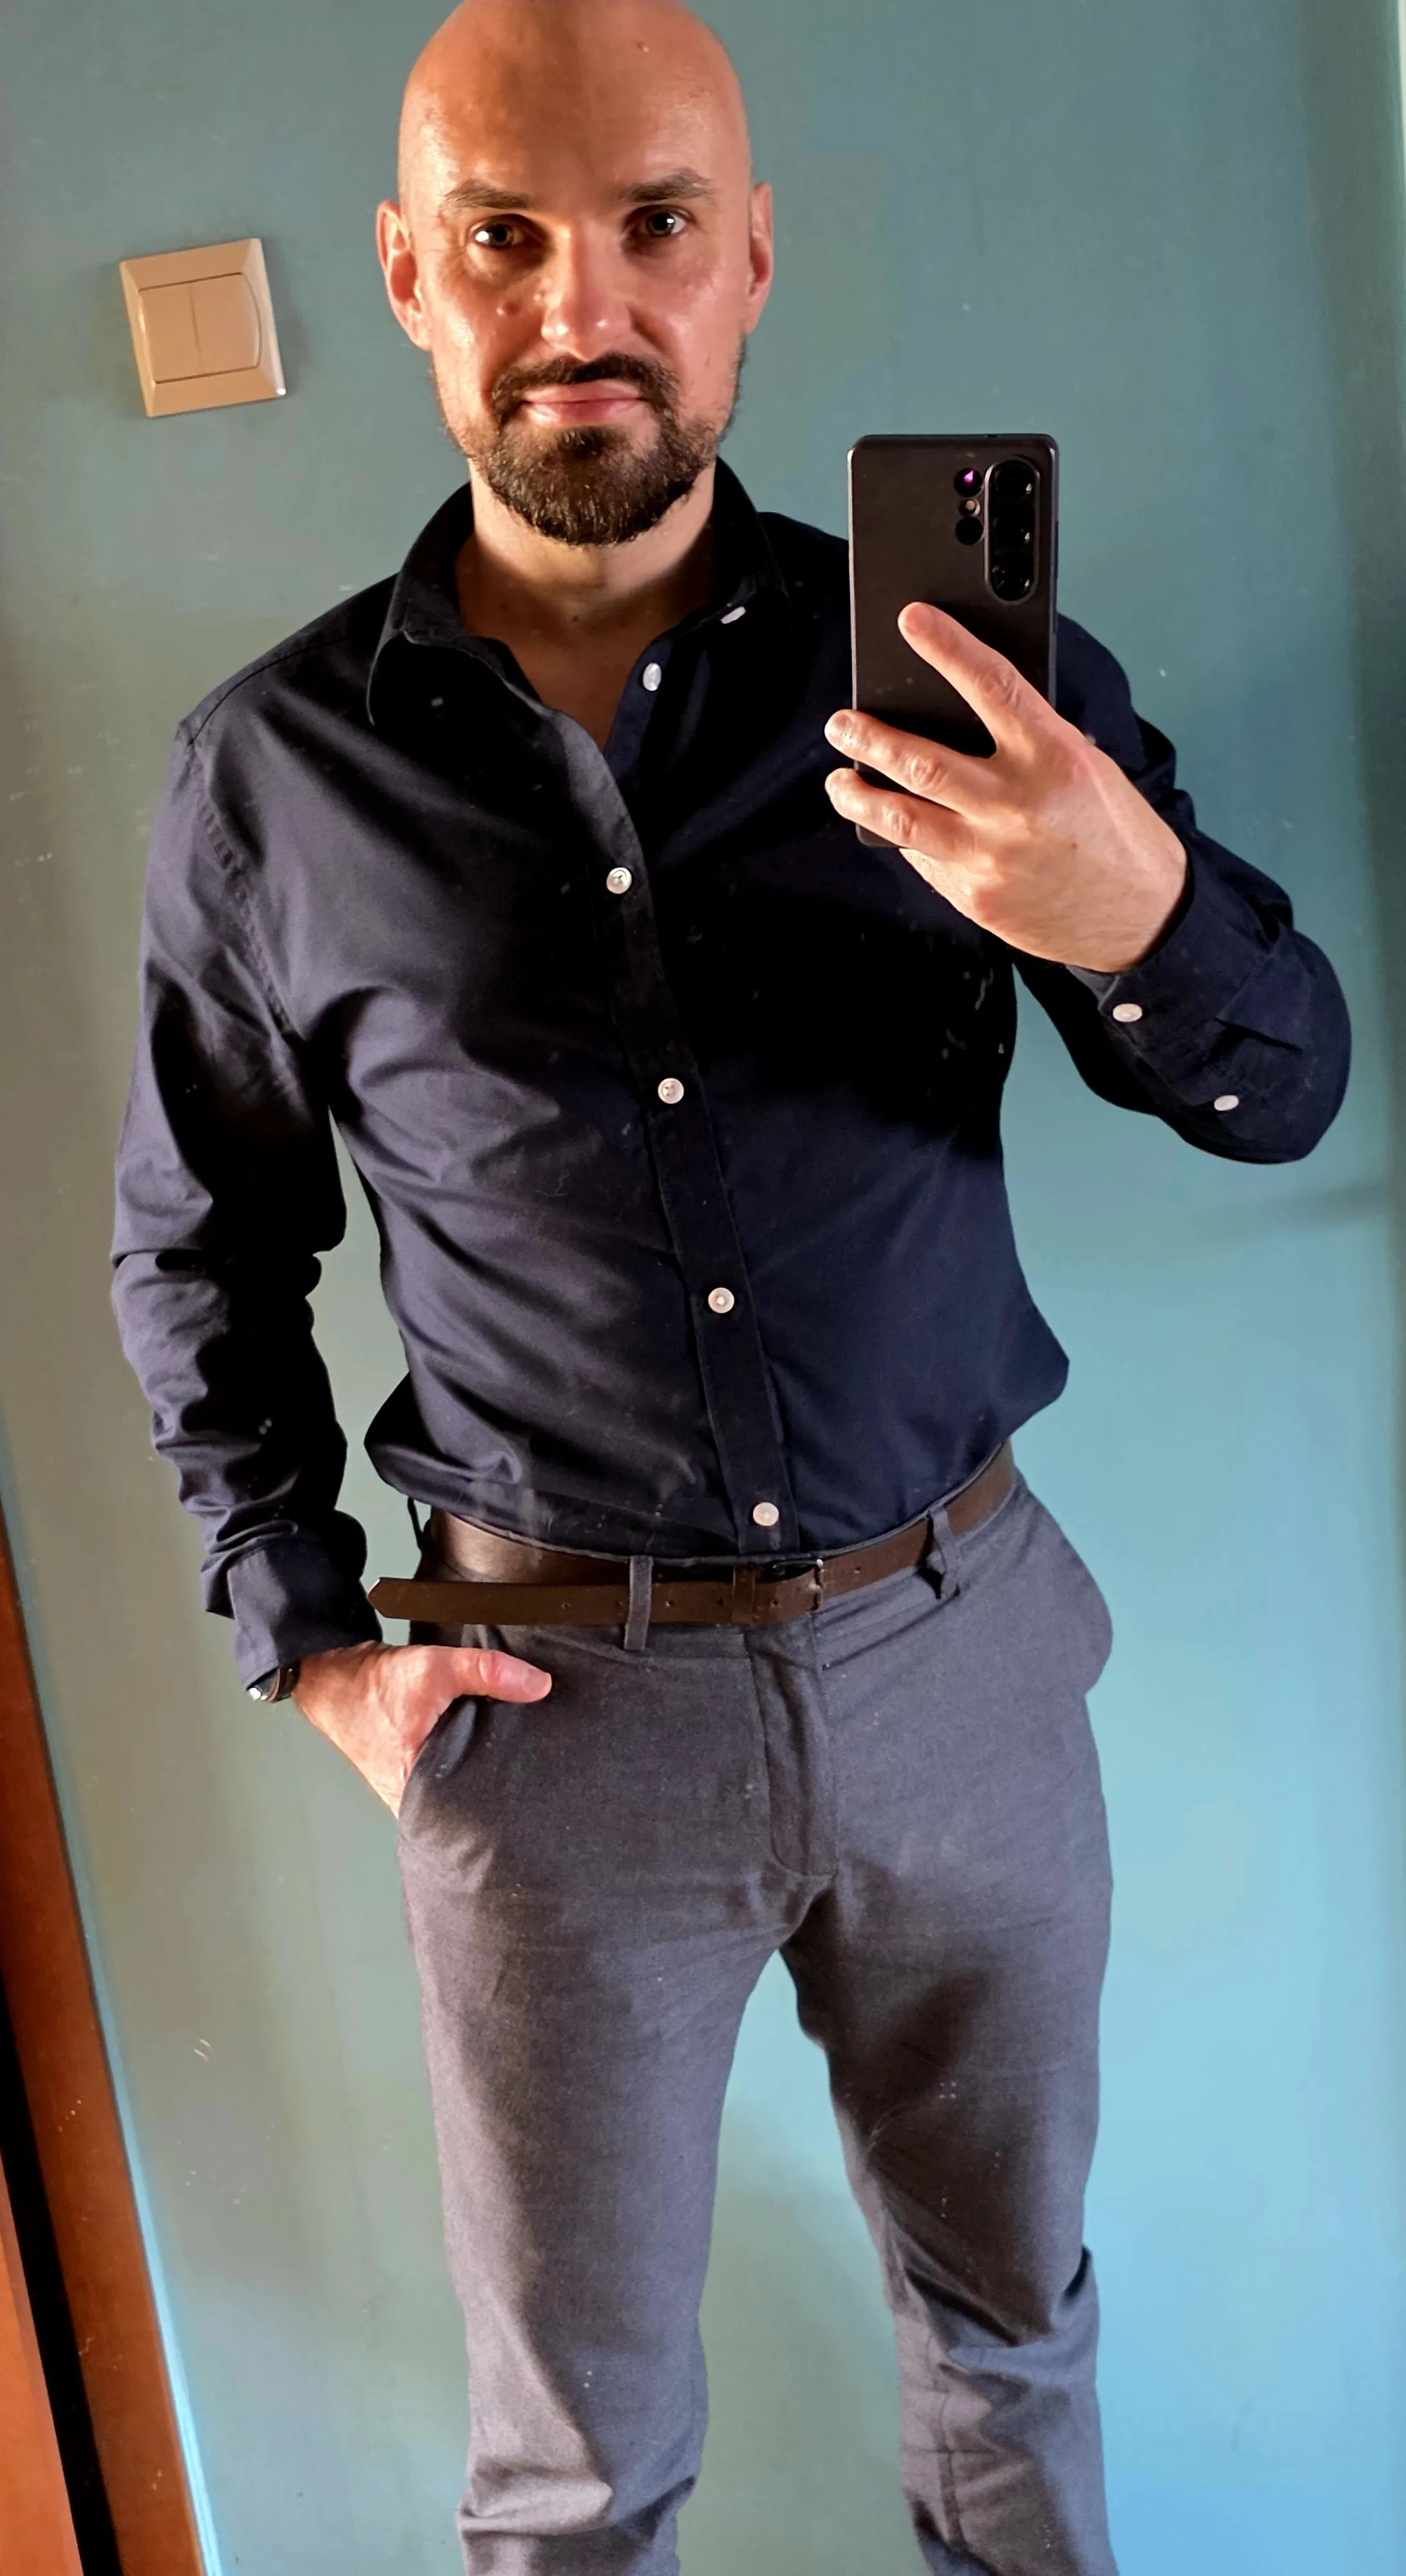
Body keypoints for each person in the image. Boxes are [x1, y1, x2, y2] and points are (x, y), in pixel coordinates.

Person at [111, 3, 1349, 2569]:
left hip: (959, 1651)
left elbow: (1280, 1089)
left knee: (1012, 2334)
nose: (585, 303)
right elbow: (200, 1243)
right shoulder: (272, 776)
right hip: (554, 1716)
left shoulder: (968, 683)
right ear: (409, 278)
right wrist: (303, 1637)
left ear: (749, 259)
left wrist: (1127, 919)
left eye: (653, 225)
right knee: (573, 2467)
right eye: (504, 237)